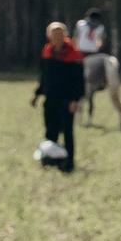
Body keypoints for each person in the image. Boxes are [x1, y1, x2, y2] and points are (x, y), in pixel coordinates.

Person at [32, 21, 85, 172]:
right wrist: (37, 94)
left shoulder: (74, 54)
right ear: (48, 36)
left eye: (60, 34)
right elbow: (44, 78)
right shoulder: (46, 52)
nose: (58, 37)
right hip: (50, 100)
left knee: (67, 132)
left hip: (67, 100)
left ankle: (69, 163)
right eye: (54, 34)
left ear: (66, 35)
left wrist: (75, 99)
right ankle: (51, 159)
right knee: (50, 131)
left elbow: (79, 81)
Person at [75, 6, 121, 128]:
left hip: (82, 54)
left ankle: (79, 117)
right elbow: (101, 42)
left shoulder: (80, 24)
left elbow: (75, 39)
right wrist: (96, 45)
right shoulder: (101, 27)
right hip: (94, 53)